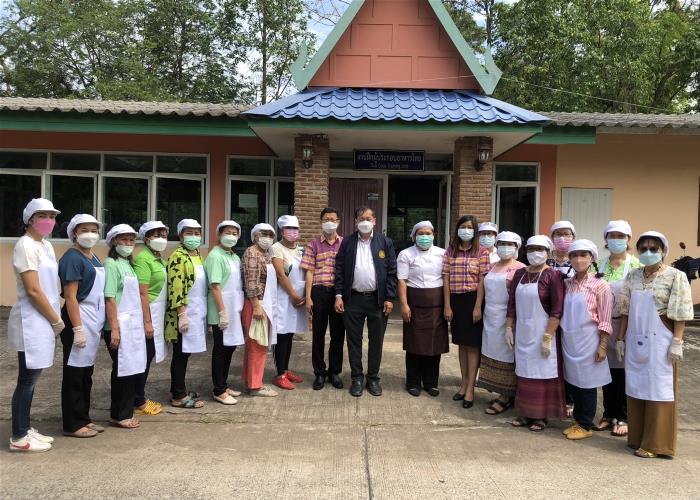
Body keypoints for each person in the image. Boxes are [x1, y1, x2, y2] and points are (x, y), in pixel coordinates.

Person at [618, 231, 693, 458]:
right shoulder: (632, 276)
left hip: (661, 340)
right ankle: (637, 437)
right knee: (636, 386)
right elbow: (625, 311)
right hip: (635, 339)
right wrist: (620, 338)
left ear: (663, 251)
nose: (648, 252)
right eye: (643, 249)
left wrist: (677, 341)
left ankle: (656, 444)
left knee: (659, 388)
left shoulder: (675, 276)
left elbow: (680, 312)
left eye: (654, 248)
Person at [9, 198, 62, 452]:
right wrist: (56, 319)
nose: (48, 221)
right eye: (42, 216)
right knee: (27, 380)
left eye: (52, 216)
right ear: (29, 220)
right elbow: (32, 290)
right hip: (32, 320)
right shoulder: (25, 246)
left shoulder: (46, 245)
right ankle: (19, 436)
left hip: (45, 318)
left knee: (33, 379)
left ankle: (25, 427)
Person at [335, 206, 397, 397]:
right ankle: (357, 378)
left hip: (377, 300)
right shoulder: (347, 242)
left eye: (368, 218)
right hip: (352, 299)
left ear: (374, 221)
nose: (365, 222)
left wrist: (389, 297)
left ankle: (373, 378)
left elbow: (392, 272)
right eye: (361, 218)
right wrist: (338, 295)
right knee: (354, 341)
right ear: (356, 221)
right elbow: (339, 270)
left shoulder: (385, 242)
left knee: (376, 341)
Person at [507, 235, 566, 432]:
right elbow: (512, 304)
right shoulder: (519, 274)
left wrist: (548, 336)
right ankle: (526, 412)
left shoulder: (553, 275)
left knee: (542, 372)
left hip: (544, 332)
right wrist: (509, 327)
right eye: (531, 249)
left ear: (548, 252)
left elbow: (557, 309)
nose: (535, 253)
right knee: (524, 372)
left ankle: (541, 416)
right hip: (523, 332)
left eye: (540, 249)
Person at [560, 240, 614, 441]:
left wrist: (602, 346)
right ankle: (578, 420)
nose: (578, 259)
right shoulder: (567, 283)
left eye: (583, 255)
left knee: (587, 384)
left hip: (589, 340)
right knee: (574, 383)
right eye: (574, 255)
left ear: (592, 258)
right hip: (570, 340)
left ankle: (585, 424)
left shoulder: (600, 285)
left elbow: (605, 319)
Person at [59, 214, 105, 438]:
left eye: (94, 230)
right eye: (84, 230)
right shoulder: (72, 258)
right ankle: (72, 423)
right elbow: (70, 296)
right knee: (74, 373)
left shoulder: (93, 256)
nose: (90, 234)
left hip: (92, 317)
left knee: (86, 372)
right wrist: (77, 329)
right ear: (74, 233)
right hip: (78, 316)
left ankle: (84, 417)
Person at [593, 220, 641, 437]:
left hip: (627, 325)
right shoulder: (598, 265)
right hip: (603, 324)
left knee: (624, 371)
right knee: (606, 369)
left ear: (628, 239)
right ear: (606, 239)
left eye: (621, 236)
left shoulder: (637, 266)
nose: (616, 240)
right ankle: (608, 413)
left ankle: (624, 415)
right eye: (612, 236)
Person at [442, 215, 489, 409]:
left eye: (470, 227)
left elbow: (482, 280)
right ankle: (463, 384)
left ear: (475, 230)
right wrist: (447, 305)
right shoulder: (450, 251)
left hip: (473, 300)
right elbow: (446, 278)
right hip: (456, 301)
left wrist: (478, 306)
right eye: (463, 226)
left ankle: (470, 389)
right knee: (461, 344)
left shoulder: (482, 252)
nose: (466, 230)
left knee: (472, 346)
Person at [103, 224, 147, 429]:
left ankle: (120, 413)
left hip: (131, 325)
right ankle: (121, 415)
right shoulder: (111, 264)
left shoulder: (128, 264)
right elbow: (110, 298)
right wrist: (114, 328)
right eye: (124, 240)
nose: (128, 244)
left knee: (129, 369)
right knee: (123, 370)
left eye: (131, 240)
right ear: (114, 242)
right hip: (118, 324)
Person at [397, 221, 448, 397]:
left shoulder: (443, 253)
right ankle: (413, 382)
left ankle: (431, 382)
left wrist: (447, 305)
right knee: (414, 344)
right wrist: (404, 304)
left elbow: (446, 279)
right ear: (414, 236)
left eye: (428, 233)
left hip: (437, 304)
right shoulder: (406, 254)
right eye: (420, 233)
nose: (424, 237)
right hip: (414, 302)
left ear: (433, 235)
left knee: (435, 344)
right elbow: (402, 280)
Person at [479, 231, 525, 415]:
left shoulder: (521, 269)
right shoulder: (491, 266)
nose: (505, 247)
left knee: (507, 356)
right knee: (492, 353)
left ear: (516, 247)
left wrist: (511, 323)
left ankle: (506, 397)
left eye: (510, 244)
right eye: (502, 244)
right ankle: (500, 393)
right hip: (490, 316)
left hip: (508, 319)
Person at [301, 207, 345, 391]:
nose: (330, 222)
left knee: (338, 335)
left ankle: (334, 372)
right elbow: (309, 272)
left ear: (338, 222)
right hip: (319, 292)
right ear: (321, 221)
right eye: (326, 219)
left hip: (339, 293)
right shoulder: (313, 244)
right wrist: (308, 297)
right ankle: (319, 372)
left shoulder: (345, 243)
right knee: (318, 335)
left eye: (333, 219)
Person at [165, 219, 207, 409]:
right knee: (180, 353)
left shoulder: (197, 255)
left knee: (186, 353)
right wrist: (181, 314)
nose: (194, 237)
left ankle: (180, 389)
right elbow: (176, 287)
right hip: (184, 312)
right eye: (189, 233)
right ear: (181, 236)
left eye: (197, 233)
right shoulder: (178, 257)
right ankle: (178, 395)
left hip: (197, 311)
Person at [205, 220, 245, 405]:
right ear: (219, 235)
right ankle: (218, 390)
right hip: (221, 310)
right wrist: (222, 312)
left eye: (234, 233)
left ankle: (224, 384)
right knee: (221, 349)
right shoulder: (215, 256)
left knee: (230, 347)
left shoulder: (234, 256)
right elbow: (215, 286)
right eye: (227, 233)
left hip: (233, 309)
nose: (231, 236)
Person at [132, 221, 169, 417]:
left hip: (157, 312)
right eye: (156, 236)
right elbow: (142, 293)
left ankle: (138, 396)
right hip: (147, 313)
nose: (161, 239)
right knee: (143, 357)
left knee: (149, 354)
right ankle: (138, 400)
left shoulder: (158, 258)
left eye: (163, 235)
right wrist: (147, 321)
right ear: (146, 239)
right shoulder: (143, 259)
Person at [241, 223, 279, 397]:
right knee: (258, 344)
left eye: (271, 235)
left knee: (257, 344)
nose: (267, 238)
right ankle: (255, 386)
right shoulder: (252, 253)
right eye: (264, 234)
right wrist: (256, 306)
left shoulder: (265, 254)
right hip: (256, 304)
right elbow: (251, 282)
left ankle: (251, 381)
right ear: (255, 236)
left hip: (265, 304)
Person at [271, 215, 307, 390]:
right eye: (289, 229)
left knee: (290, 334)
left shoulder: (300, 250)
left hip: (298, 298)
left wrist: (304, 296)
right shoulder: (276, 248)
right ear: (282, 231)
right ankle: (280, 374)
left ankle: (285, 369)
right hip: (284, 298)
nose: (293, 232)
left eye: (296, 229)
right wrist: (293, 295)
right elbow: (280, 274)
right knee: (281, 335)